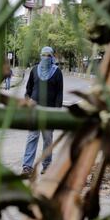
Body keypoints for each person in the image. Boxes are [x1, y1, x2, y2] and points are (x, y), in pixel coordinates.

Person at [21, 46, 63, 179]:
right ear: (40, 56)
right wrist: (27, 102)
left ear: (52, 57)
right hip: (34, 110)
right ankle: (27, 167)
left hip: (49, 111)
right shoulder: (34, 70)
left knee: (47, 139)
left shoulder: (57, 72)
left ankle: (47, 166)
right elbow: (28, 89)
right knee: (32, 137)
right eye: (43, 55)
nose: (45, 57)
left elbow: (59, 94)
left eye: (48, 55)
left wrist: (56, 113)